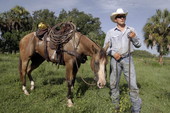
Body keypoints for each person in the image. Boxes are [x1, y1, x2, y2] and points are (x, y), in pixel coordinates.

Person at [103, 8, 142, 113]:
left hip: (128, 59)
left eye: (123, 16)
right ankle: (116, 106)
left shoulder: (131, 30)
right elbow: (105, 49)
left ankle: (136, 109)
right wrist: (113, 53)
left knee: (132, 84)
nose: (122, 18)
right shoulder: (110, 32)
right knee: (113, 83)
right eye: (119, 16)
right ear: (115, 19)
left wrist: (134, 38)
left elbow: (138, 45)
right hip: (114, 61)